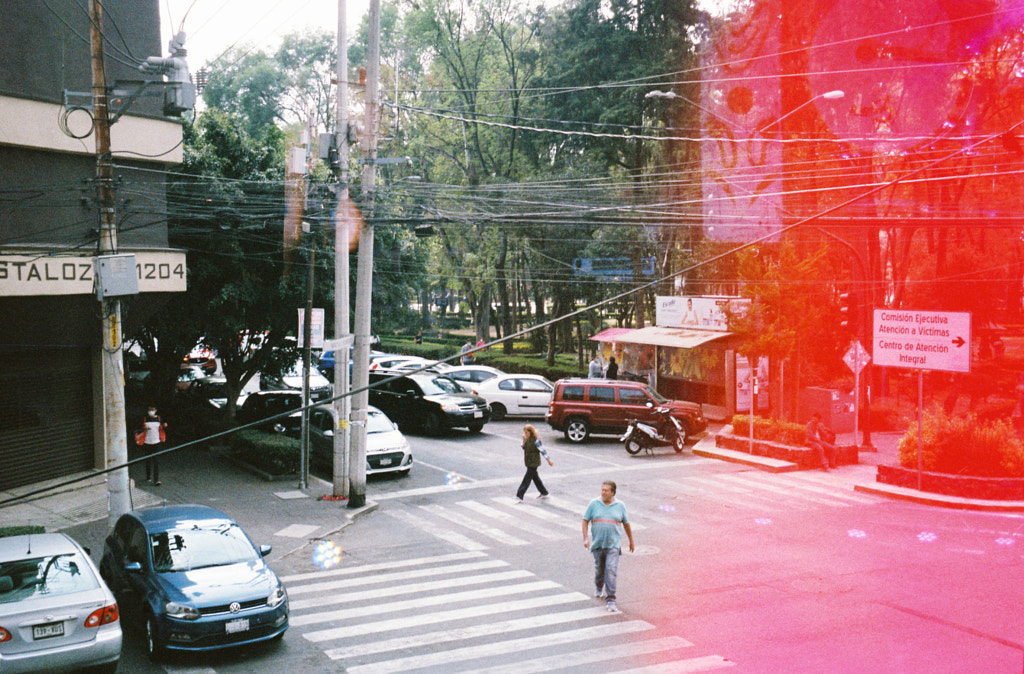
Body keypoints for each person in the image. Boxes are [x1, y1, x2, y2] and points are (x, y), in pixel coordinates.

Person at [582, 480, 634, 613]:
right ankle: (599, 586)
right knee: (600, 570)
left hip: (613, 545)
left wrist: (631, 541)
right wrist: (586, 538)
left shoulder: (620, 506)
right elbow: (585, 520)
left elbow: (626, 524)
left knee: (611, 570)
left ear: (613, 493)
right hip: (598, 544)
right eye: (602, 490)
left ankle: (611, 600)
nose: (603, 492)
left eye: (606, 490)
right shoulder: (594, 504)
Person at [515, 425, 552, 502]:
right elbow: (524, 447)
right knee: (535, 478)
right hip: (529, 461)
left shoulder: (536, 440)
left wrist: (548, 460)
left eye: (526, 432)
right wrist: (523, 440)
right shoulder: (527, 439)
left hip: (534, 462)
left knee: (527, 479)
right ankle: (544, 492)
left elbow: (542, 450)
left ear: (531, 432)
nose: (525, 434)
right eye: (525, 433)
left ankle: (520, 495)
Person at [140, 406, 167, 486]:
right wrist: (144, 427)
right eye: (149, 410)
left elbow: (162, 427)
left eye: (152, 409)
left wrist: (164, 426)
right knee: (147, 460)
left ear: (156, 410)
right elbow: (140, 428)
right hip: (147, 442)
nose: (151, 411)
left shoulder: (159, 418)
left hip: (156, 441)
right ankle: (148, 476)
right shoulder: (145, 418)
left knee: (156, 461)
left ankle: (156, 480)